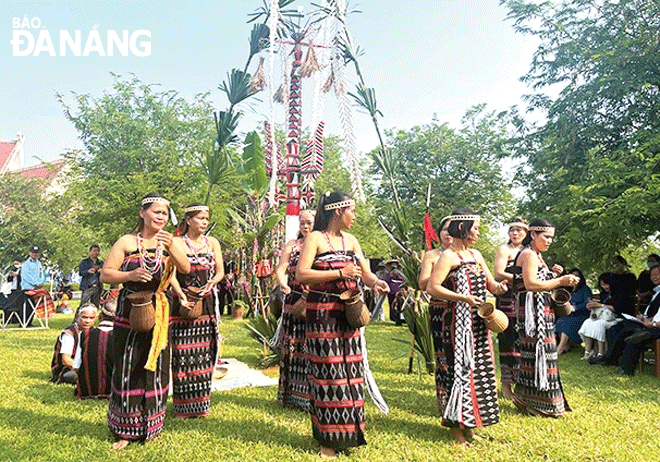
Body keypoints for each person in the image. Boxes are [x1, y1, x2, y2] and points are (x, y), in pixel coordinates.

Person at [296, 191, 389, 458]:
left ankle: (348, 435)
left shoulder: (352, 240)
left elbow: (366, 273)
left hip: (349, 312)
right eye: (352, 211)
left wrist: (375, 283)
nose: (354, 216)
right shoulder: (314, 238)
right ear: (338, 211)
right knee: (328, 375)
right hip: (323, 313)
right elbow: (302, 274)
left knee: (351, 373)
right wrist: (339, 272)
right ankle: (328, 440)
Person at [100, 192, 190, 449]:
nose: (160, 217)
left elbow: (184, 269)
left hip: (160, 310)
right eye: (156, 212)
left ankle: (153, 423)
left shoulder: (169, 242)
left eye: (164, 213)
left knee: (157, 365)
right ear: (143, 213)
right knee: (129, 363)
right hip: (130, 309)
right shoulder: (127, 241)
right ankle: (125, 429)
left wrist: (172, 246)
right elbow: (107, 274)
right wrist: (130, 274)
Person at [426, 209, 508, 447]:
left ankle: (470, 425)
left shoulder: (476, 254)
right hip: (455, 324)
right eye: (475, 228)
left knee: (477, 371)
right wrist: (462, 298)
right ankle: (456, 432)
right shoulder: (448, 257)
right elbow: (433, 287)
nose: (478, 232)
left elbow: (491, 285)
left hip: (478, 322)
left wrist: (499, 288)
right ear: (463, 228)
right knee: (456, 370)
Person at [511, 219, 578, 417]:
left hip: (541, 311)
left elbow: (541, 281)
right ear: (533, 235)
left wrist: (554, 275)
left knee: (540, 354)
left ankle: (526, 398)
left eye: (551, 238)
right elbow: (531, 284)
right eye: (546, 237)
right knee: (537, 353)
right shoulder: (529, 255)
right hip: (533, 314)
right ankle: (535, 402)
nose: (549, 241)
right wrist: (561, 280)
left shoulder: (537, 256)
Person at [169, 203, 224, 419]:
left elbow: (220, 271)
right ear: (189, 220)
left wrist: (213, 282)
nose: (204, 222)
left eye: (206, 219)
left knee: (204, 354)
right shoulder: (176, 243)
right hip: (182, 301)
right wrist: (179, 294)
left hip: (207, 302)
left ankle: (201, 405)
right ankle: (182, 408)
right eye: (200, 218)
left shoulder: (212, 243)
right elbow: (170, 273)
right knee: (182, 354)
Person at [274, 209, 315, 411]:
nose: (305, 227)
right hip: (293, 301)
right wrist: (283, 283)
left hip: (315, 302)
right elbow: (281, 268)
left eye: (309, 223)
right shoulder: (293, 245)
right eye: (302, 223)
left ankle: (310, 397)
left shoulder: (322, 244)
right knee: (292, 347)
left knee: (310, 348)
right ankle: (291, 395)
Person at [492, 217, 527, 400]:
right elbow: (498, 273)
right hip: (507, 300)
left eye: (519, 230)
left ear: (527, 234)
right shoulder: (504, 250)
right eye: (512, 230)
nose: (515, 233)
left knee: (524, 342)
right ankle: (506, 386)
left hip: (525, 301)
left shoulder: (529, 251)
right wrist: (524, 278)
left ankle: (523, 384)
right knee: (508, 340)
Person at [612, 264, 660, 375]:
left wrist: (653, 324)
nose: (654, 277)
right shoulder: (655, 291)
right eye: (652, 275)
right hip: (652, 324)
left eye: (657, 274)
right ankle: (615, 361)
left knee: (637, 336)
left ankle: (625, 369)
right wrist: (647, 319)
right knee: (624, 328)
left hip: (656, 327)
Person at [74, 300, 116, 399]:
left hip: (88, 392)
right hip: (114, 393)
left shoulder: (85, 334)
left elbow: (76, 367)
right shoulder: (121, 336)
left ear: (100, 316)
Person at [50, 303, 97, 384]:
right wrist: (85, 371)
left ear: (96, 318)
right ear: (78, 317)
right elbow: (66, 360)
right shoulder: (69, 334)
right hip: (67, 369)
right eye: (84, 317)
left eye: (91, 318)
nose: (87, 321)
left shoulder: (95, 332)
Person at [555, 269, 593, 356]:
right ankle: (566, 346)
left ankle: (560, 348)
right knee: (560, 320)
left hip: (583, 315)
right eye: (573, 276)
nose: (575, 278)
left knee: (566, 322)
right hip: (571, 315)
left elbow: (588, 303)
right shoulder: (569, 290)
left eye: (577, 276)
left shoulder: (585, 289)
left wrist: (575, 308)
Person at [418, 216, 453, 292]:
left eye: (452, 230)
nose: (448, 233)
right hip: (439, 302)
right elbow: (423, 285)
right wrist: (441, 271)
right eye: (445, 229)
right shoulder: (430, 255)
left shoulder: (469, 254)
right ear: (439, 232)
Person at [20, 246, 45, 325]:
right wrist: (36, 283)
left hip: (36, 289)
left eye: (36, 252)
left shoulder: (39, 263)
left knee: (33, 306)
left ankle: (29, 322)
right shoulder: (26, 264)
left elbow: (41, 274)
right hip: (27, 288)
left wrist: (41, 283)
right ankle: (23, 323)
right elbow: (27, 277)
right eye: (33, 252)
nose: (35, 254)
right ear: (30, 253)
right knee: (26, 307)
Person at [384, 260, 405, 325]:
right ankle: (392, 319)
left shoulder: (401, 273)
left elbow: (403, 280)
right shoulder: (389, 273)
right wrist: (390, 275)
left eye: (395, 264)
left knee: (399, 305)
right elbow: (386, 281)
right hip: (390, 292)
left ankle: (400, 319)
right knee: (391, 305)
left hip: (398, 292)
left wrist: (397, 275)